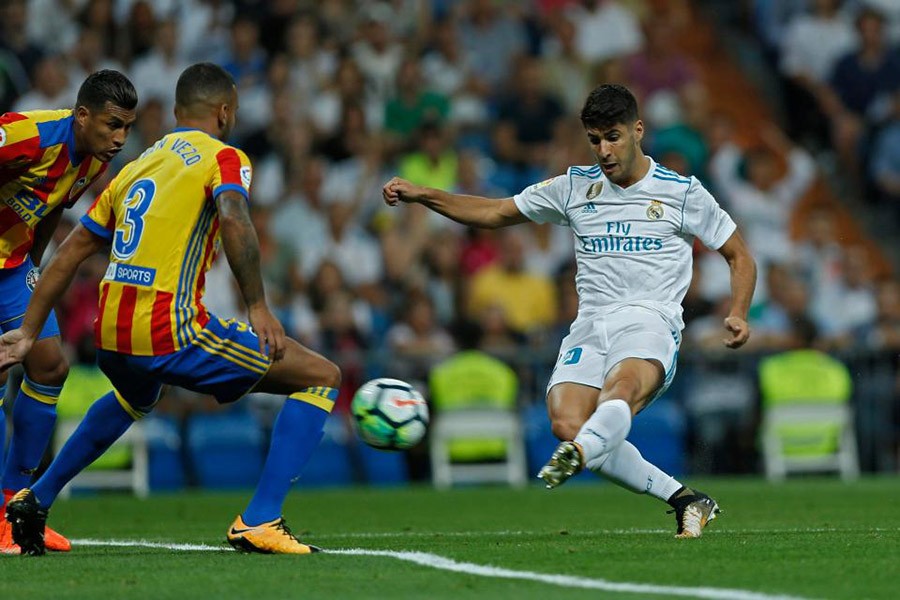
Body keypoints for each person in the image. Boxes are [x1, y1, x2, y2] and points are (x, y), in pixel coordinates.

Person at [383, 84, 757, 538]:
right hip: (590, 325)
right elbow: (494, 212)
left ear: (638, 130)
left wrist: (739, 311)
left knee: (620, 389)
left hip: (650, 320)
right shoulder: (574, 187)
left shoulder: (682, 192)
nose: (604, 150)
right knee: (567, 424)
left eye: (613, 137)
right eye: (595, 140)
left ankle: (582, 453)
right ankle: (684, 499)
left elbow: (739, 255)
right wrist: (424, 194)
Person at [0, 63, 341, 556]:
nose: (120, 136)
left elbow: (71, 251)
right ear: (224, 113)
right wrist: (258, 306)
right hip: (168, 328)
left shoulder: (136, 166)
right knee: (322, 376)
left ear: (176, 112)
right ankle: (260, 519)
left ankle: (33, 500)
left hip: (111, 329)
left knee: (134, 395)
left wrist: (29, 331)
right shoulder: (225, 157)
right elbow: (234, 217)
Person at [0, 69, 138, 554]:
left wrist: (34, 265)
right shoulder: (27, 134)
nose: (120, 138)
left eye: (127, 128)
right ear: (82, 115)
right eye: (112, 124)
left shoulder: (93, 160)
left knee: (49, 367)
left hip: (13, 266)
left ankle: (12, 510)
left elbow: (52, 206)